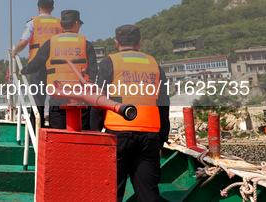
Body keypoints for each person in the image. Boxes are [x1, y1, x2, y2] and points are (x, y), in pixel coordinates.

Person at [90, 25, 170, 202]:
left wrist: (94, 134)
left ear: (117, 43)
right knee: (148, 193)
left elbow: (98, 102)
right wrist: (162, 139)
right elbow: (163, 104)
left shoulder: (110, 63)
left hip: (118, 136)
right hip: (150, 136)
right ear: (140, 43)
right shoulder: (154, 64)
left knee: (111, 191)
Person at [20, 10, 97, 130]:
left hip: (58, 97)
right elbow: (93, 70)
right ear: (76, 23)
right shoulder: (86, 44)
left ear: (62, 25)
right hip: (81, 99)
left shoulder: (51, 43)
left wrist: (23, 70)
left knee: (58, 133)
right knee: (81, 135)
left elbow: (37, 62)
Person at [11, 0, 61, 130]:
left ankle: (35, 127)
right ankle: (55, 126)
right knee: (56, 96)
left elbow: (24, 42)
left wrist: (14, 52)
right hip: (56, 65)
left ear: (38, 8)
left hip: (37, 65)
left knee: (38, 98)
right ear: (52, 9)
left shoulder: (33, 22)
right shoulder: (60, 23)